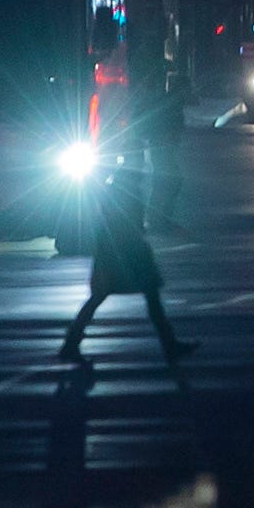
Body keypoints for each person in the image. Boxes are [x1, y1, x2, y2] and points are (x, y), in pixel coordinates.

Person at [58, 131, 189, 364]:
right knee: (142, 295)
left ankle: (71, 342)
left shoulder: (121, 184)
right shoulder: (124, 187)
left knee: (111, 296)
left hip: (120, 251)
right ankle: (169, 345)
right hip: (125, 251)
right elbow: (121, 223)